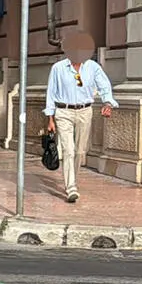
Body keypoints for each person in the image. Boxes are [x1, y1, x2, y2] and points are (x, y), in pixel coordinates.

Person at [43, 31, 118, 203]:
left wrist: (107, 103)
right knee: (68, 150)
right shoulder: (58, 68)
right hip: (64, 112)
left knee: (79, 151)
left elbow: (104, 86)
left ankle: (73, 180)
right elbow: (51, 93)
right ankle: (71, 187)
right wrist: (50, 118)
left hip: (85, 111)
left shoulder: (93, 67)